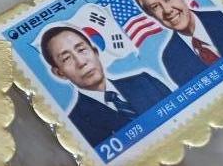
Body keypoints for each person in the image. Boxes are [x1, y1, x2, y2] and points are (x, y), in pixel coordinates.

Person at [39, 25, 171, 146]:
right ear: (59, 73)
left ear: (95, 52)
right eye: (66, 58)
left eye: (81, 50)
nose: (81, 62)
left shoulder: (145, 82)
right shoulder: (76, 126)